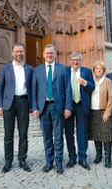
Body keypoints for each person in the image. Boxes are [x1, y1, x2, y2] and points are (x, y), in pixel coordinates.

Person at [31, 44, 72, 174]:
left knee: (59, 136)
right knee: (47, 136)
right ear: (43, 54)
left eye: (51, 53)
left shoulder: (64, 69)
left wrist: (68, 108)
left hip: (57, 106)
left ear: (55, 54)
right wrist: (34, 108)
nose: (49, 55)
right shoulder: (37, 70)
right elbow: (34, 90)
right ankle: (49, 162)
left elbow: (68, 89)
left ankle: (59, 162)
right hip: (43, 108)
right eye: (47, 53)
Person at [0, 43, 34, 173]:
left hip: (23, 102)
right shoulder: (5, 69)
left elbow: (32, 89)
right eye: (16, 51)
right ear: (12, 53)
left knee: (23, 134)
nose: (19, 54)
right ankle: (8, 161)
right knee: (8, 135)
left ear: (23, 53)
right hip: (9, 104)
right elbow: (0, 88)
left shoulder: (30, 69)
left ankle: (22, 160)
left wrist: (33, 106)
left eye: (21, 51)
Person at [64, 51, 94, 170]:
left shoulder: (86, 71)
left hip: (82, 105)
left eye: (77, 60)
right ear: (70, 60)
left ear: (81, 61)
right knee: (69, 132)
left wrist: (85, 83)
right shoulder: (65, 71)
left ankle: (82, 158)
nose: (75, 62)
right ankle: (72, 157)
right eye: (73, 60)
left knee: (82, 132)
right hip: (69, 105)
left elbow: (92, 87)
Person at [88, 61, 112, 168]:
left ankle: (107, 159)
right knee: (96, 134)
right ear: (93, 71)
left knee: (106, 135)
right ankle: (98, 156)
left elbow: (111, 97)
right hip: (93, 111)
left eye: (101, 69)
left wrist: (107, 113)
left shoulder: (108, 81)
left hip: (104, 111)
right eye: (97, 69)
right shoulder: (91, 81)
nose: (99, 70)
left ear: (103, 71)